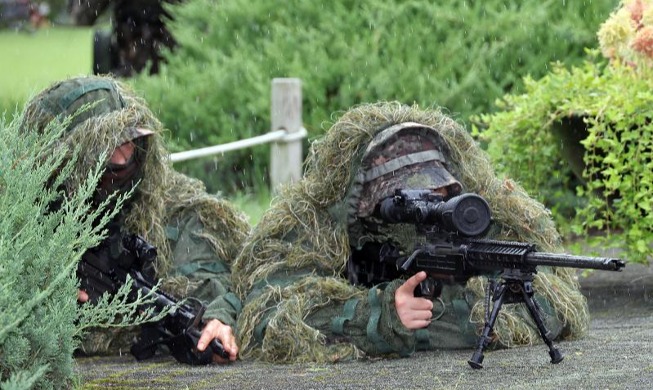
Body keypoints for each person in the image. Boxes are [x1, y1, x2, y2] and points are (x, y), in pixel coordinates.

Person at [232, 102, 590, 363]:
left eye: (440, 195)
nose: (426, 210)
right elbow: (269, 315)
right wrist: (379, 313)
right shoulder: (312, 226)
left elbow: (553, 305)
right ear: (362, 202)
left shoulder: (480, 220)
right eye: (402, 200)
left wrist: (427, 319)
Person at [20, 75, 249, 363]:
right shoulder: (21, 221)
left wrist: (217, 319)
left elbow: (207, 274)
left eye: (130, 141)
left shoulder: (168, 205)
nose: (122, 158)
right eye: (103, 148)